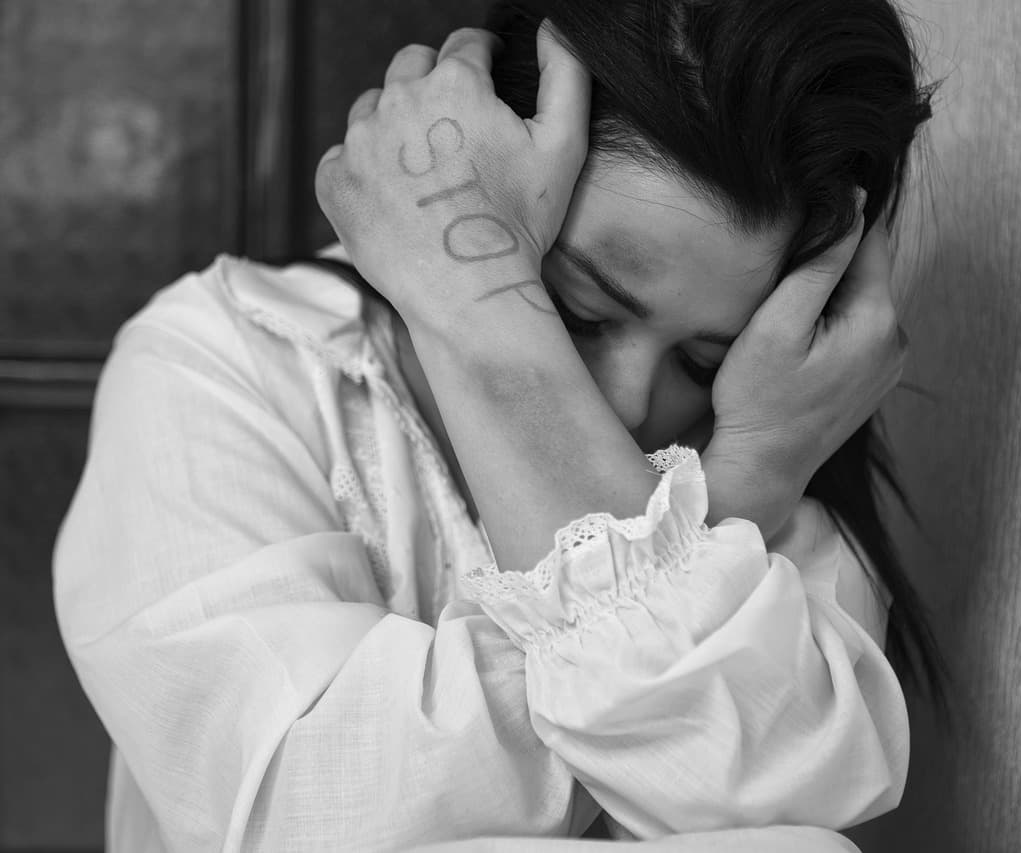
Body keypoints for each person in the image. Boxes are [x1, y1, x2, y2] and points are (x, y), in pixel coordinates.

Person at [53, 0, 945, 849]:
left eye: (706, 363)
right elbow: (297, 813)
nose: (633, 404)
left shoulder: (779, 422)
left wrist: (753, 458)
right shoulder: (224, 363)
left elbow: (777, 793)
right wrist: (477, 309)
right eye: (578, 308)